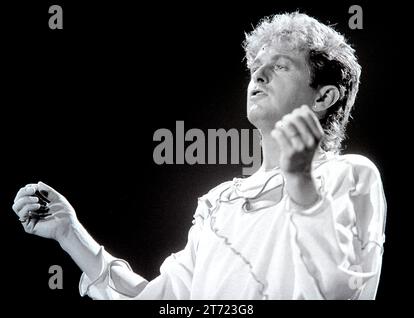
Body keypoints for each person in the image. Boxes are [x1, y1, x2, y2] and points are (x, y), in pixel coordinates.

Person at [12, 12, 386, 300]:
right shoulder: (220, 202)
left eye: (281, 65)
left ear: (323, 97)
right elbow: (162, 299)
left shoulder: (349, 174)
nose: (259, 75)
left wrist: (301, 183)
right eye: (257, 67)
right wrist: (70, 233)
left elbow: (341, 290)